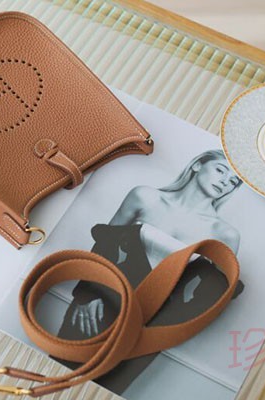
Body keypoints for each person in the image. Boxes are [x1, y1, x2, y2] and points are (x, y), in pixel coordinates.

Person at [56, 149, 245, 394]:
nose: (225, 182)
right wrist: (86, 295)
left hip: (150, 328)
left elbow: (213, 295)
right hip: (100, 301)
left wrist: (165, 329)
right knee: (59, 375)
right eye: (221, 170)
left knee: (102, 391)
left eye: (233, 182)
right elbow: (103, 248)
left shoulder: (225, 234)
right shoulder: (144, 197)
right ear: (198, 165)